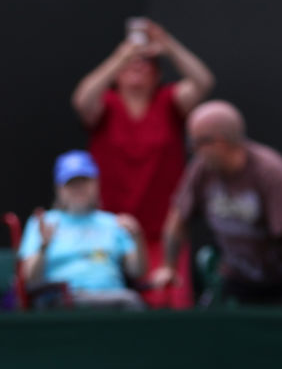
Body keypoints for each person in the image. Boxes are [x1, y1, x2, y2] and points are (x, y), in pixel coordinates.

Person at [72, 19, 214, 310]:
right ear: (116, 75)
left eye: (146, 64)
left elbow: (203, 82)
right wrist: (121, 55)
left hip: (164, 231)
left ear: (157, 75)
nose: (137, 67)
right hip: (110, 231)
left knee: (168, 305)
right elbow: (82, 99)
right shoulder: (106, 105)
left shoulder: (168, 102)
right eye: (130, 66)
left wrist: (168, 44)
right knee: (112, 304)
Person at [158, 101, 282, 310]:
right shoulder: (202, 170)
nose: (193, 150)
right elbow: (178, 218)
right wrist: (169, 266)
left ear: (222, 142)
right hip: (241, 278)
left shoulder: (270, 172)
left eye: (198, 142)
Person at [18, 150, 146, 310]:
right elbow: (29, 279)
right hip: (63, 299)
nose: (78, 189)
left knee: (132, 303)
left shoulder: (114, 223)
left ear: (96, 184)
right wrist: (44, 248)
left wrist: (137, 237)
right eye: (71, 183)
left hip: (113, 297)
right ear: (59, 189)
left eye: (84, 181)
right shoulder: (43, 222)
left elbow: (137, 272)